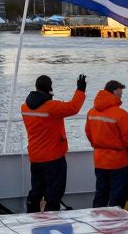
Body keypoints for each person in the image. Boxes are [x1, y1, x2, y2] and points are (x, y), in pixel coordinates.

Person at [21, 73, 86, 212]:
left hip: (35, 157)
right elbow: (73, 107)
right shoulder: (52, 107)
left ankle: (32, 215)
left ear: (36, 87)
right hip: (53, 158)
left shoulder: (24, 108)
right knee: (53, 194)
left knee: (37, 191)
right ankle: (52, 219)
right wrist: (80, 90)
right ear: (50, 88)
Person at [84, 80, 128, 208]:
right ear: (115, 90)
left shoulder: (91, 113)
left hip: (100, 162)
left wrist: (99, 147)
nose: (121, 94)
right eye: (120, 90)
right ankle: (116, 226)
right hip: (119, 164)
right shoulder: (120, 114)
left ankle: (98, 224)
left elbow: (89, 134)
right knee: (117, 199)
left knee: (101, 196)